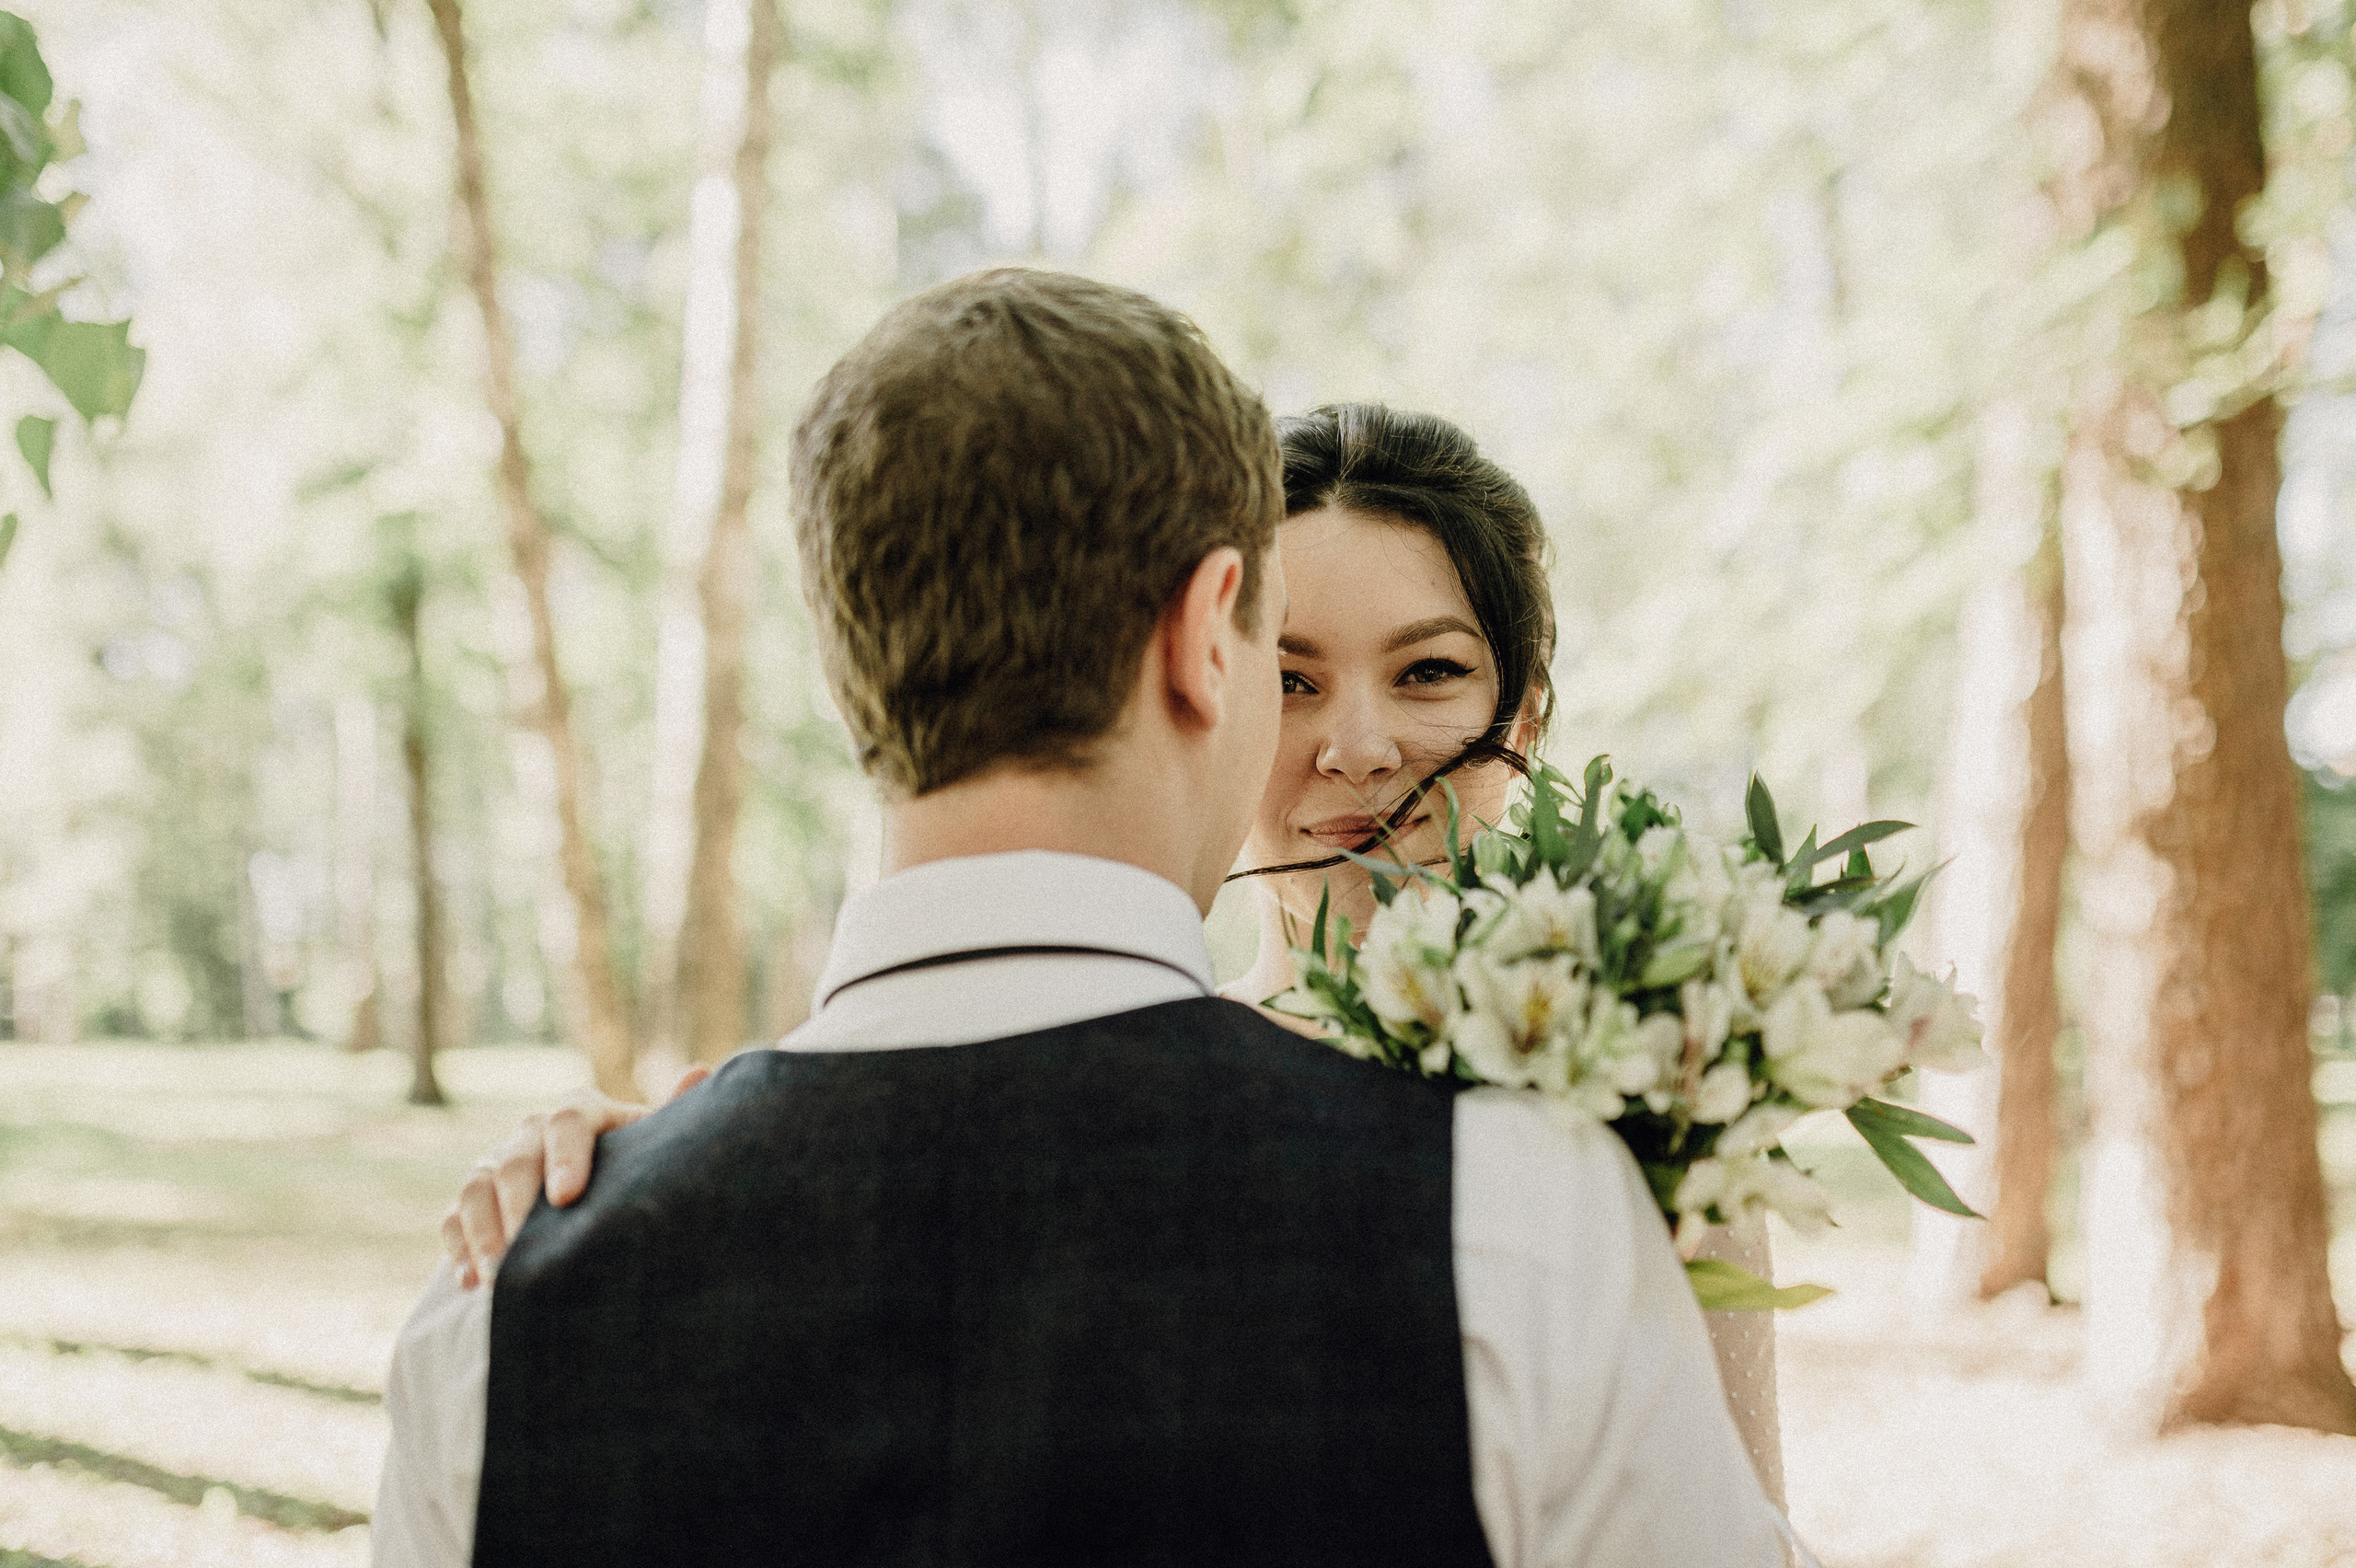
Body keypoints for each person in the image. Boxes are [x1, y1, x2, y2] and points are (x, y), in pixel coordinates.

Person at [379, 268, 1784, 1567]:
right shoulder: (1519, 1225)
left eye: (1424, 673)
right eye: (1284, 666)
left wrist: (591, 1227)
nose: (1353, 745)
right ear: (1205, 634)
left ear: (854, 659)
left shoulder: (498, 1316)